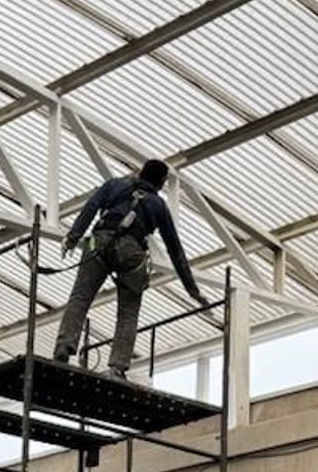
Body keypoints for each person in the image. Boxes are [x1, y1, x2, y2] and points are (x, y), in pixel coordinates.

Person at [52, 159, 206, 379]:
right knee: (128, 312)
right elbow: (175, 250)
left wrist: (72, 237)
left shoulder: (114, 185)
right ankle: (118, 366)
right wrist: (192, 289)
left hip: (99, 242)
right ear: (161, 182)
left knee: (80, 297)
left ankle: (63, 348)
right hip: (131, 252)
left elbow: (91, 207)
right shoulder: (158, 205)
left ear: (141, 172)